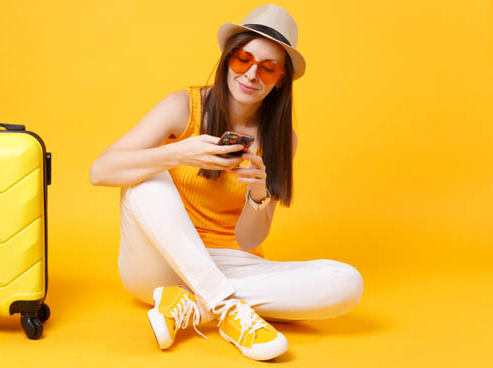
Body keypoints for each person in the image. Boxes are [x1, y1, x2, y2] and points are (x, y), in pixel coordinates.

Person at [88, 4, 363, 361]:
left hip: (229, 261)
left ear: (280, 78)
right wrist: (179, 154)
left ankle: (192, 304)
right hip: (158, 263)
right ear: (227, 59)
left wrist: (259, 193)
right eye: (243, 60)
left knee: (347, 282)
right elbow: (100, 171)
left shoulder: (282, 139)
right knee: (147, 175)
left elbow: (250, 240)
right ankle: (226, 305)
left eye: (267, 68)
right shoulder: (182, 107)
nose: (252, 75)